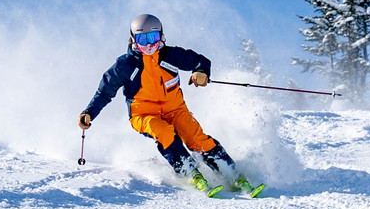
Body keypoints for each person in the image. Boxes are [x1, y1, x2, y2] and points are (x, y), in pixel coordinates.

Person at [78, 14, 264, 197]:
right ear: (134, 39)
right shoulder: (125, 65)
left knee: (196, 137)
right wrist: (89, 112)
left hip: (176, 110)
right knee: (164, 132)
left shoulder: (170, 55)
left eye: (154, 38)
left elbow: (199, 60)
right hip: (143, 115)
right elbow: (105, 91)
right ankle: (189, 171)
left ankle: (232, 174)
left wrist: (200, 71)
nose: (149, 45)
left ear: (161, 36)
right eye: (143, 39)